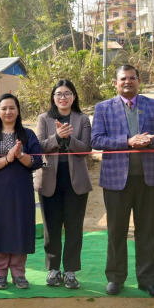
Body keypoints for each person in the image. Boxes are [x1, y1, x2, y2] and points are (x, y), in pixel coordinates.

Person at [92, 64, 154, 300]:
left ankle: (148, 281)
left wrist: (151, 141)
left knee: (148, 231)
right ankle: (115, 279)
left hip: (149, 179)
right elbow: (97, 140)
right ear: (115, 83)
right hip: (116, 180)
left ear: (139, 81)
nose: (127, 81)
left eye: (132, 78)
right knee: (116, 231)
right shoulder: (103, 108)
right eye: (123, 78)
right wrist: (128, 141)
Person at [0, 94, 43, 290]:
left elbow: (37, 162)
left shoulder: (28, 135)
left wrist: (20, 155)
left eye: (12, 108)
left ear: (18, 111)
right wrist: (7, 159)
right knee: (0, 227)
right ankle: (0, 273)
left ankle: (18, 273)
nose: (8, 112)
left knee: (20, 227)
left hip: (22, 190)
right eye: (3, 108)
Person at [34, 80, 92, 289]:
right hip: (50, 179)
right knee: (51, 227)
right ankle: (53, 269)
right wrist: (57, 137)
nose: (63, 98)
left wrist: (68, 140)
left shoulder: (83, 119)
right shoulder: (44, 119)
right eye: (58, 94)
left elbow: (86, 149)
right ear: (53, 97)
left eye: (67, 94)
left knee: (74, 228)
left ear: (74, 97)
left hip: (76, 181)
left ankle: (70, 271)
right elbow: (39, 146)